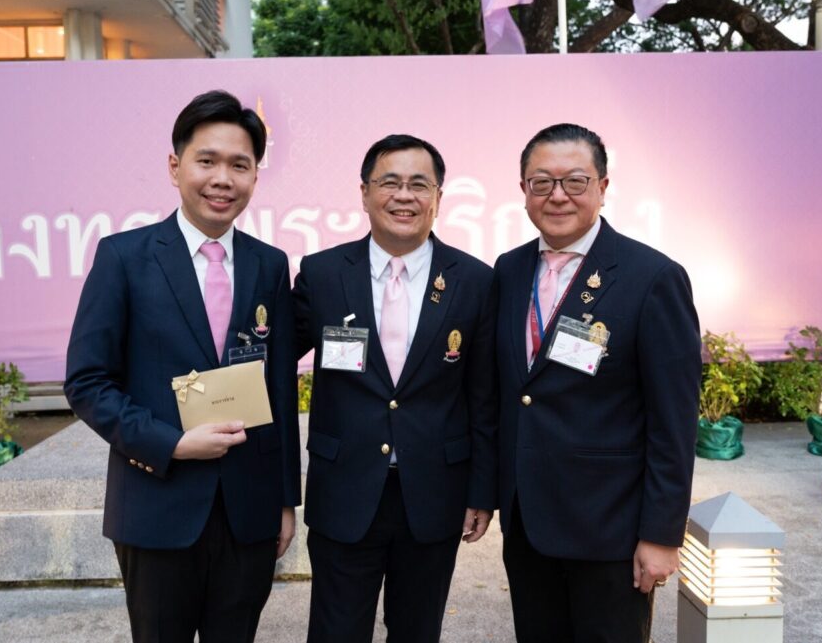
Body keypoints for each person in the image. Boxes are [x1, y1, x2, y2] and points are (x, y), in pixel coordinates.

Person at [64, 90, 301, 643]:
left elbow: (280, 390)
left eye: (239, 165)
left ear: (255, 177)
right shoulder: (124, 257)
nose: (223, 178)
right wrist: (169, 443)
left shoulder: (270, 265)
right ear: (176, 167)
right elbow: (87, 382)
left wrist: (286, 499)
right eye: (208, 161)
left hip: (248, 512)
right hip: (157, 505)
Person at [492, 123, 701, 642]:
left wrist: (661, 535)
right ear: (523, 191)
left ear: (603, 187)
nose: (557, 195)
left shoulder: (651, 277)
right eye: (541, 182)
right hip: (529, 527)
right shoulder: (509, 270)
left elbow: (673, 423)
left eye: (574, 181)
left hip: (610, 531)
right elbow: (511, 393)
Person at [292, 134, 498, 643]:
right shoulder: (321, 275)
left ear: (438, 198)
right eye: (390, 182)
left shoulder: (473, 280)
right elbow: (272, 367)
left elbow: (484, 396)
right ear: (364, 193)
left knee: (417, 631)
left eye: (418, 185)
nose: (403, 196)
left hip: (433, 494)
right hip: (345, 490)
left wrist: (483, 489)